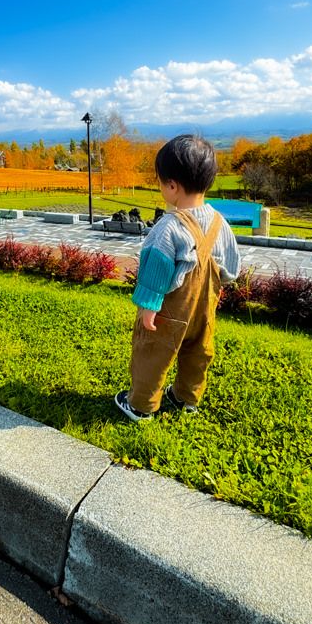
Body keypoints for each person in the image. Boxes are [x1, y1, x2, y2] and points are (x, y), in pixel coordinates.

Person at [114, 134, 241, 422]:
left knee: (153, 354)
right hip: (204, 309)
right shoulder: (221, 224)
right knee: (198, 352)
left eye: (160, 182)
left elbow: (155, 268)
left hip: (170, 310)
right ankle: (186, 398)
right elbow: (231, 267)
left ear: (172, 186)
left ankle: (141, 405)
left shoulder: (168, 226)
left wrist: (148, 305)